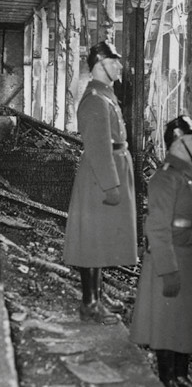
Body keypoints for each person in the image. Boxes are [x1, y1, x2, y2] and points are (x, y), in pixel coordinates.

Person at [130, 115, 192, 387]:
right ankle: (167, 379)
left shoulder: (189, 172)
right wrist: (167, 270)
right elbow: (157, 227)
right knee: (168, 320)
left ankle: (182, 375)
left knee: (188, 317)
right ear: (179, 140)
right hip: (175, 255)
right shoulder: (165, 176)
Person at [63, 41, 137, 325]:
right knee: (92, 241)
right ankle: (90, 304)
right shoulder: (95, 98)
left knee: (99, 239)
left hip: (109, 169)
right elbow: (97, 147)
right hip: (99, 175)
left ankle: (96, 297)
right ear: (100, 65)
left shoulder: (106, 94)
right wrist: (110, 184)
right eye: (114, 61)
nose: (120, 66)